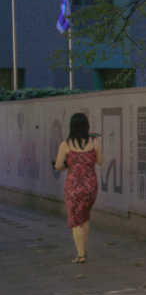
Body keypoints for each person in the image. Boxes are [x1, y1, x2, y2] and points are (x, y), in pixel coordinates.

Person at [53, 113, 103, 264]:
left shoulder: (66, 144)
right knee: (85, 217)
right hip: (90, 186)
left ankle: (81, 254)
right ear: (86, 126)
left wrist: (68, 166)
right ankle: (84, 249)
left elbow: (58, 165)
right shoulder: (94, 143)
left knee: (76, 220)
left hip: (73, 187)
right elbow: (100, 162)